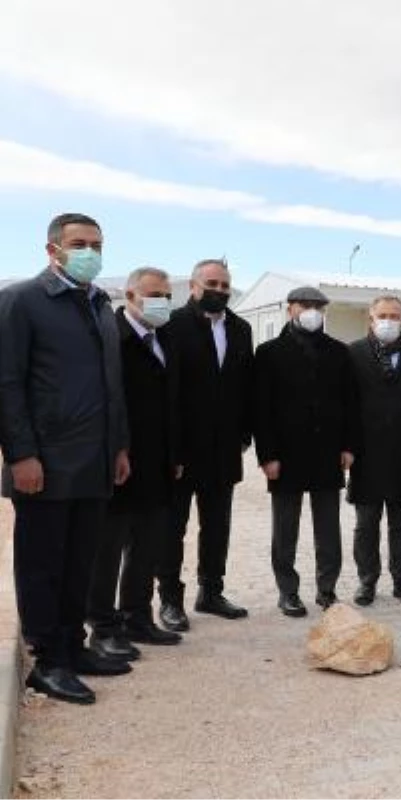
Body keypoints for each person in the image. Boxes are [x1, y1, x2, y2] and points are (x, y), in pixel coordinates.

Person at [0, 213, 132, 704]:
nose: (90, 251)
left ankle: (74, 648)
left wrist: (117, 446)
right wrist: (21, 455)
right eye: (79, 243)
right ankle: (48, 661)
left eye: (97, 243)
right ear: (52, 248)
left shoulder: (97, 303)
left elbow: (110, 386)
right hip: (46, 462)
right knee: (43, 563)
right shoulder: (21, 301)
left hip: (94, 459)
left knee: (82, 561)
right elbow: (7, 384)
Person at [87, 267, 183, 663]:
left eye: (165, 294)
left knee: (148, 544)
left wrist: (176, 454)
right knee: (107, 549)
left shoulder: (165, 338)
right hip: (121, 460)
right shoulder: (110, 336)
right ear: (129, 295)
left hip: (159, 463)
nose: (161, 301)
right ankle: (103, 628)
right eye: (152, 294)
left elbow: (175, 402)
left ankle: (137, 616)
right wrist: (116, 450)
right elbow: (106, 401)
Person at [159, 258, 254, 631]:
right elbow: (166, 389)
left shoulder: (241, 329)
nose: (219, 290)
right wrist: (172, 447)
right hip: (182, 450)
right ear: (194, 286)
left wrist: (245, 434)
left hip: (224, 448)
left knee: (217, 526)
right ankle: (169, 598)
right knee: (173, 527)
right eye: (212, 283)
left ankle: (211, 592)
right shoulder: (172, 324)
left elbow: (246, 385)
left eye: (225, 285)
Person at [254, 287, 361, 616]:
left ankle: (326, 589)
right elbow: (262, 409)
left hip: (328, 453)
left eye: (318, 306)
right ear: (290, 310)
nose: (312, 311)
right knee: (285, 528)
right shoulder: (269, 352)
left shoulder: (339, 352)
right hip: (285, 456)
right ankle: (288, 591)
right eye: (305, 306)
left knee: (328, 528)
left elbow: (351, 403)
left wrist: (349, 446)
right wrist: (267, 455)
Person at [346, 295, 401, 608]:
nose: (388, 321)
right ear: (371, 318)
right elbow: (346, 403)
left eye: (394, 315)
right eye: (383, 315)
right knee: (366, 523)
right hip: (365, 453)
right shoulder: (353, 353)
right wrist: (346, 447)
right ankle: (367, 580)